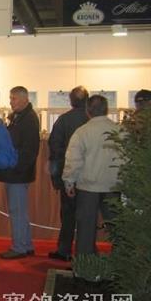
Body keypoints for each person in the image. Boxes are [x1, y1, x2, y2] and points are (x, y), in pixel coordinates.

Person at [62, 95, 122, 255]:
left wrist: (69, 182)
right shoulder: (120, 131)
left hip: (88, 187)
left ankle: (85, 264)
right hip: (113, 186)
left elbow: (73, 160)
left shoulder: (82, 132)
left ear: (88, 111)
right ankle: (121, 262)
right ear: (107, 109)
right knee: (117, 229)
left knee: (85, 230)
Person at [0, 86, 40, 259]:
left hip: (18, 174)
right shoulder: (20, 117)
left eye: (13, 98)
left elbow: (29, 150)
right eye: (10, 98)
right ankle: (26, 244)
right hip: (17, 172)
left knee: (17, 211)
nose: (11, 102)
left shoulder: (28, 119)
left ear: (24, 99)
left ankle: (19, 247)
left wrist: (16, 168)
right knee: (20, 211)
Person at [47, 86, 89, 261]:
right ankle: (85, 252)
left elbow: (55, 148)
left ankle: (64, 250)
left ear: (71, 101)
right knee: (87, 217)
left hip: (69, 174)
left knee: (68, 215)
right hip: (90, 177)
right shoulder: (91, 120)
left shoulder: (63, 120)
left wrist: (57, 178)